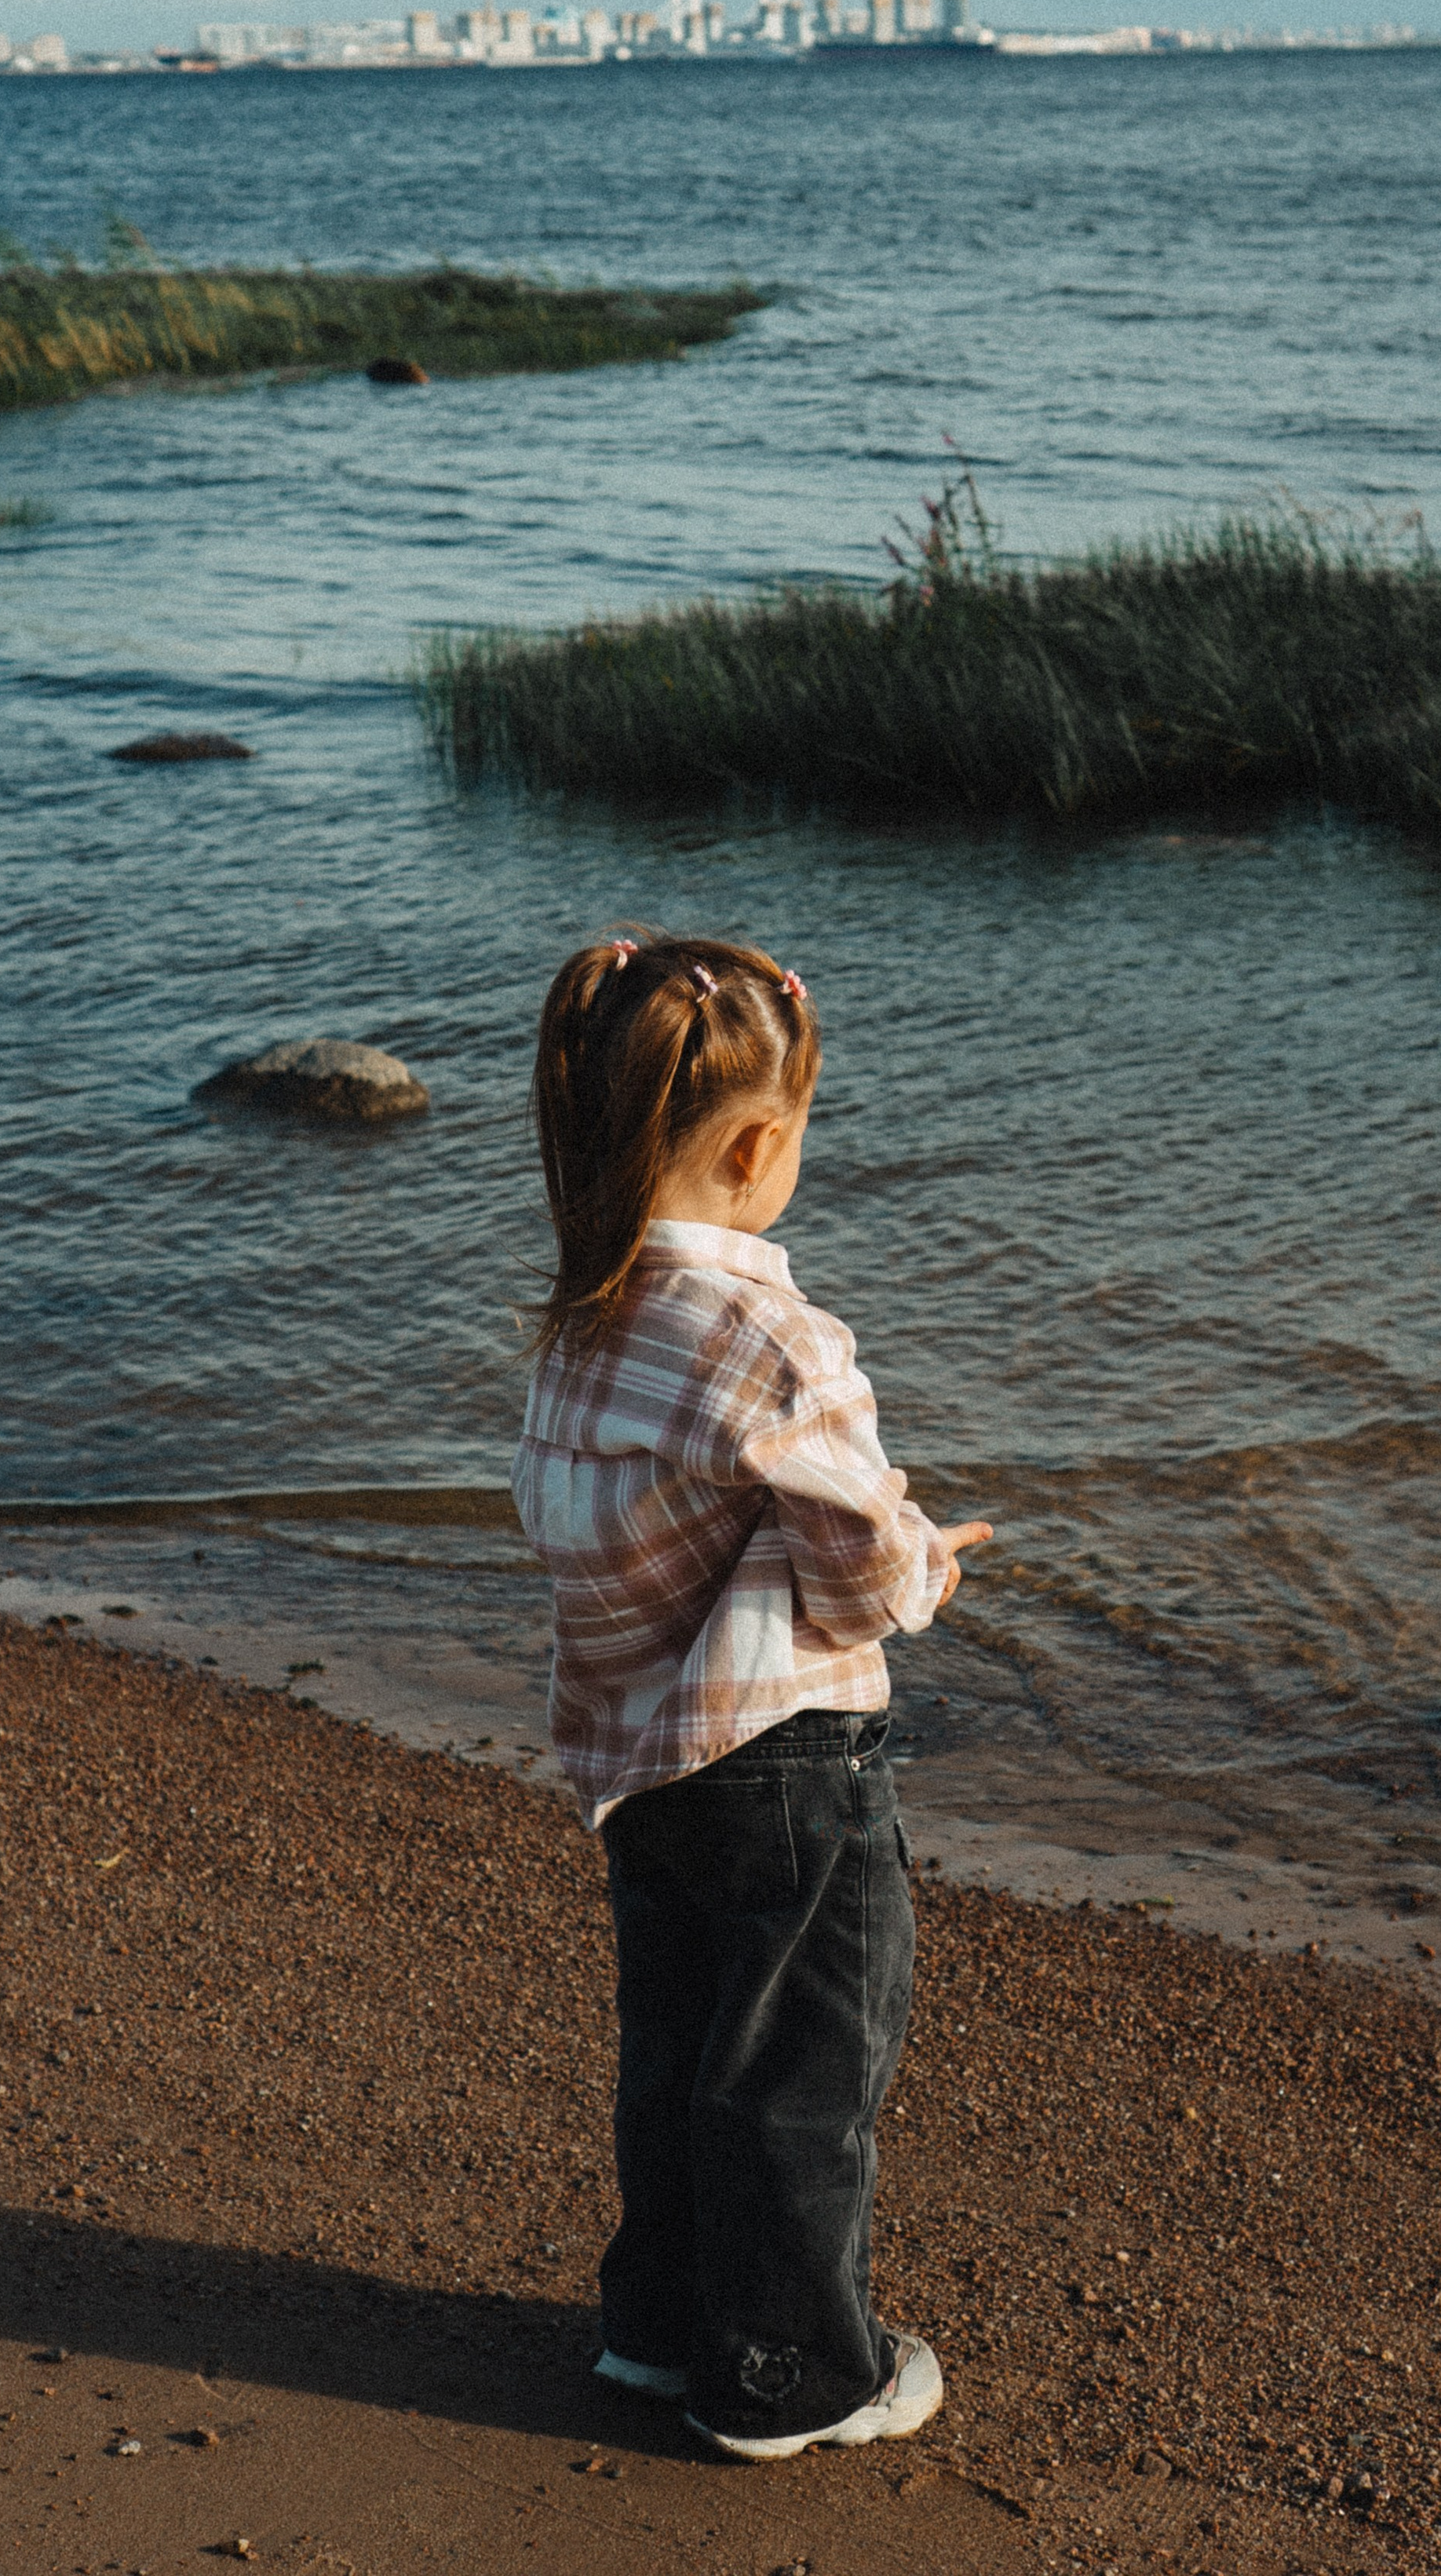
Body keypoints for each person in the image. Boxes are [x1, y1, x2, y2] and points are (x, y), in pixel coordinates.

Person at [511, 929, 992, 2460]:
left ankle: (658, 2328)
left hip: (641, 1761)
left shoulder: (577, 1328)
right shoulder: (771, 1338)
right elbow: (853, 1565)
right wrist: (925, 1568)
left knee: (677, 2049)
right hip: (786, 1763)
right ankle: (787, 2374)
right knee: (797, 2072)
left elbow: (616, 1532)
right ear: (755, 1144)